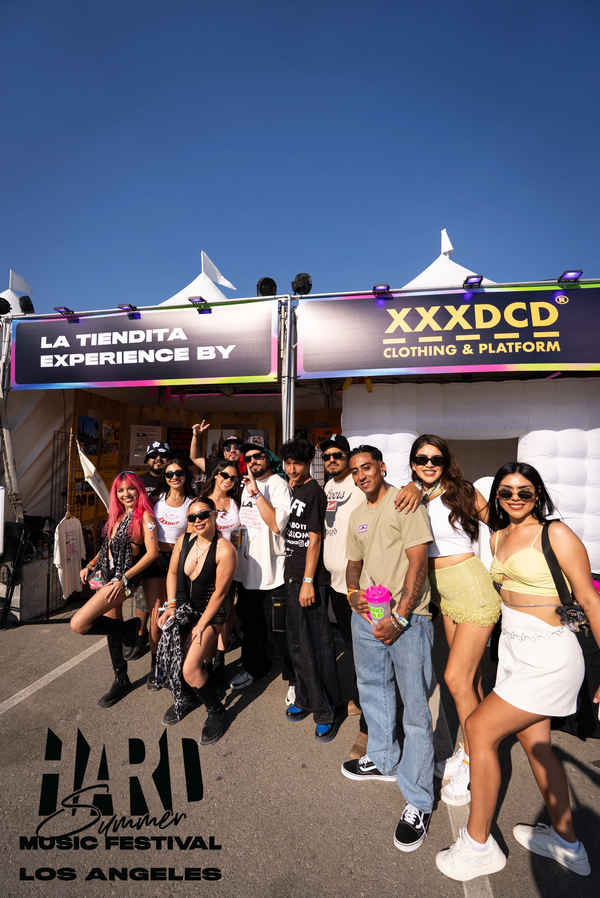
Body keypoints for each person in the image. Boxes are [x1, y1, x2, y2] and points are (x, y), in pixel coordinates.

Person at [436, 462, 600, 881]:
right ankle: (567, 844)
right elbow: (462, 497)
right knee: (537, 745)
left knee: (479, 728)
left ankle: (477, 846)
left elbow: (590, 600)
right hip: (512, 651)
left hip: (550, 655)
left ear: (537, 493)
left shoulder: (556, 534)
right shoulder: (497, 535)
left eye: (524, 491)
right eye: (506, 492)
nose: (515, 498)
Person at [395, 435, 501, 807]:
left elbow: (501, 526)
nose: (429, 464)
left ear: (445, 462)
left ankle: (475, 763)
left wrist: (510, 569)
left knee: (455, 678)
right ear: (413, 463)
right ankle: (472, 748)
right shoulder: (412, 495)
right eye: (422, 459)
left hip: (471, 588)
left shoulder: (463, 492)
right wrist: (413, 487)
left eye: (436, 459)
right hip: (444, 595)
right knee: (469, 681)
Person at [341, 445, 434, 853]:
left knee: (415, 710)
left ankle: (419, 799)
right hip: (366, 617)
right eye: (355, 470)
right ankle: (383, 758)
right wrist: (352, 594)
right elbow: (354, 563)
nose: (361, 475)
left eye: (367, 467)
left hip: (408, 620)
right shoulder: (357, 515)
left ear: (381, 467)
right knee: (372, 690)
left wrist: (400, 617)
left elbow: (418, 563)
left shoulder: (405, 503)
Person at [71, 472, 159, 707]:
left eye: (130, 488)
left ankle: (130, 629)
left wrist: (124, 578)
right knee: (111, 627)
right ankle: (121, 678)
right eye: (120, 490)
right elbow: (108, 547)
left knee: (78, 624)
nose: (125, 494)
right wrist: (91, 564)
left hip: (124, 581)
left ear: (139, 490)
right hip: (107, 577)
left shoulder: (145, 516)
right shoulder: (118, 516)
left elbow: (152, 553)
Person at [157, 497, 237, 745]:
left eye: (203, 515)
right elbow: (172, 572)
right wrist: (171, 605)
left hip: (211, 614)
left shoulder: (225, 550)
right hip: (184, 609)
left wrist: (201, 625)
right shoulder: (184, 541)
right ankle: (188, 696)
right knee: (171, 653)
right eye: (192, 517)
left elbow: (220, 595)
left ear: (215, 515)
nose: (198, 520)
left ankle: (217, 711)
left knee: (190, 668)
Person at [280, 438, 342, 742]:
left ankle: (327, 710)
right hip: (292, 575)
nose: (292, 469)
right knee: (297, 643)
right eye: (288, 463)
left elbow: (315, 538)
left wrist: (308, 581)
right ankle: (304, 698)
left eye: (298, 463)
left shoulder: (314, 492)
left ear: (308, 464)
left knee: (317, 646)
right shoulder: (293, 489)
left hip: (310, 580)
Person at [229, 439, 295, 702]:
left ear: (268, 457)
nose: (253, 461)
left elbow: (277, 525)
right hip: (248, 572)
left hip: (273, 574)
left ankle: (295, 679)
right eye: (248, 458)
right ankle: (255, 668)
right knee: (251, 628)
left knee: (280, 632)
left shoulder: (278, 485)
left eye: (258, 456)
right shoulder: (245, 486)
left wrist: (257, 493)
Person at [321, 434, 368, 758]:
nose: (331, 460)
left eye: (337, 454)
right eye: (327, 456)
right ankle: (361, 703)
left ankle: (369, 728)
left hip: (362, 587)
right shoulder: (328, 487)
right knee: (353, 650)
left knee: (369, 655)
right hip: (337, 586)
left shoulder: (359, 483)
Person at [144, 458, 196, 692]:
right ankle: (156, 664)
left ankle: (180, 665)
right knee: (156, 620)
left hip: (181, 562)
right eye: (169, 474)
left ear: (186, 475)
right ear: (164, 477)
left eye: (179, 472)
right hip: (156, 562)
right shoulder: (156, 499)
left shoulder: (192, 503)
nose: (174, 477)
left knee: (179, 618)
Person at [125, 440, 173, 659]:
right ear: (147, 460)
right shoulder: (139, 481)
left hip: (169, 547)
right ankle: (140, 634)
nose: (158, 459)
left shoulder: (175, 479)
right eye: (154, 456)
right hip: (144, 547)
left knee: (163, 598)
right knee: (143, 598)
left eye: (163, 455)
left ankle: (160, 636)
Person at [200, 459, 242, 680]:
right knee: (208, 609)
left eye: (233, 478)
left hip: (230, 563)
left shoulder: (236, 501)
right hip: (207, 563)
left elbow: (241, 529)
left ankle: (220, 656)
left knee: (227, 608)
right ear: (216, 474)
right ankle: (206, 659)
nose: (228, 480)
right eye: (225, 475)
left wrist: (237, 539)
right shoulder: (202, 501)